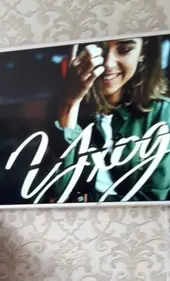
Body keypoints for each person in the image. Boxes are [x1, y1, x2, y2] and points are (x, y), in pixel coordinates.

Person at [46, 35, 170, 202]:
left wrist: (85, 200)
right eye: (99, 49)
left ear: (143, 52)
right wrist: (70, 104)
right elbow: (55, 192)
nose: (108, 63)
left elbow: (151, 200)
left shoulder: (162, 113)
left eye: (124, 50)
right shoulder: (60, 107)